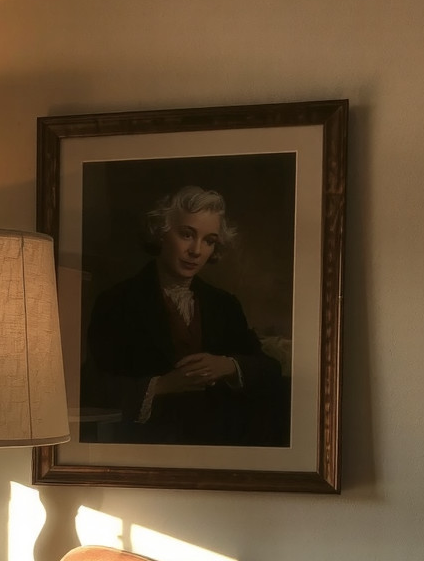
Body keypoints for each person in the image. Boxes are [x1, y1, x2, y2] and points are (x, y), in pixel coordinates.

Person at [81, 185, 287, 446]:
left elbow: (269, 371)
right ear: (162, 232)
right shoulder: (118, 300)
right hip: (144, 446)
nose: (196, 251)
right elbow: (90, 387)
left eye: (209, 241)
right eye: (187, 235)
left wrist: (229, 365)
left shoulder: (224, 304)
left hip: (218, 445)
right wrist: (161, 385)